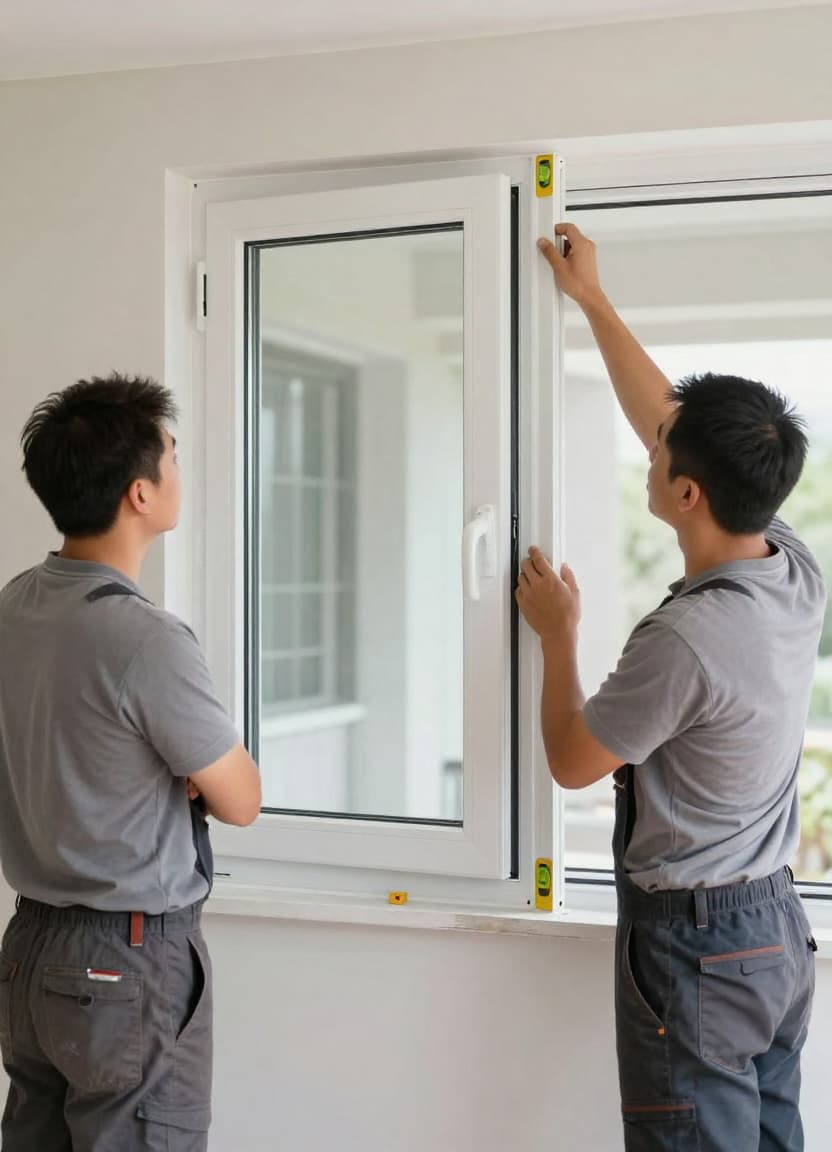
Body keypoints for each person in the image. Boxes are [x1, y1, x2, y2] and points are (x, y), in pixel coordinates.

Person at [517, 224, 824, 1152]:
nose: (649, 451)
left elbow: (574, 761)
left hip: (700, 946)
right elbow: (672, 418)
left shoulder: (686, 639)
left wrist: (558, 637)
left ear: (689, 495)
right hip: (772, 928)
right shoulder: (792, 568)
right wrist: (591, 300)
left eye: (659, 453)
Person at [0, 373, 261, 1152]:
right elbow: (241, 798)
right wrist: (185, 774)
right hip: (127, 959)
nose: (179, 468)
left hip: (30, 947)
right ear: (139, 493)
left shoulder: (14, 606)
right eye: (172, 456)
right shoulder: (145, 638)